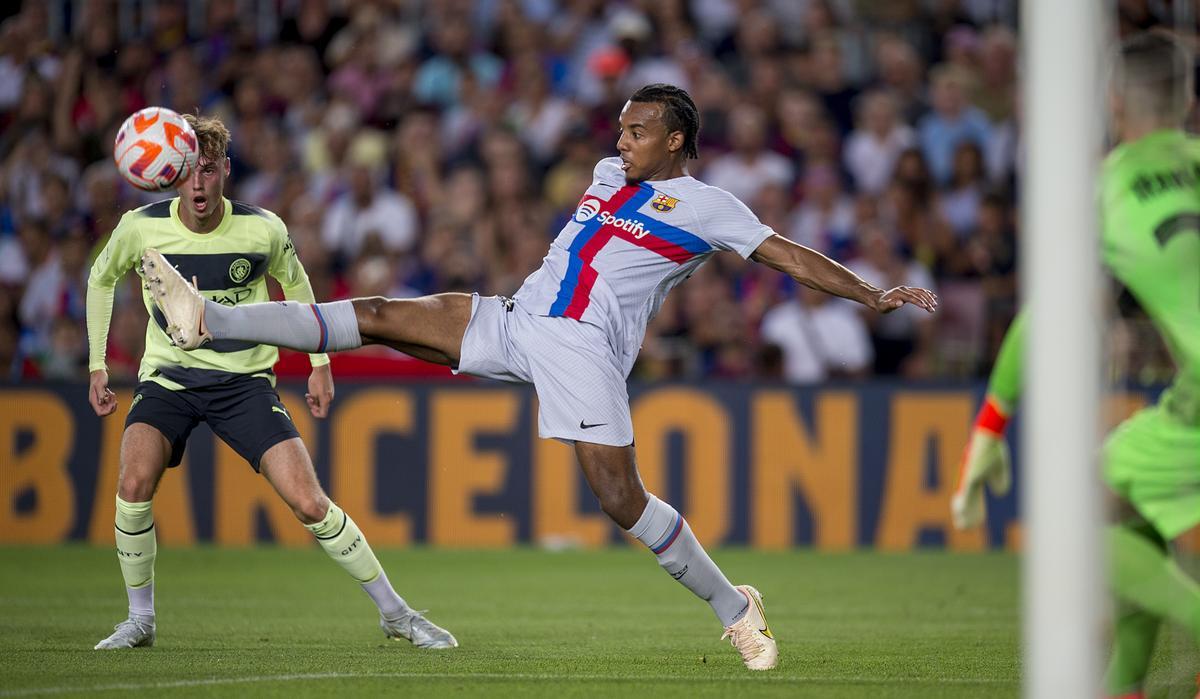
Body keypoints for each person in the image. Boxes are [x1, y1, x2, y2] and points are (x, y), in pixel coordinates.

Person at [142, 85, 937, 671]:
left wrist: (870, 292)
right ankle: (208, 316)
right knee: (384, 313)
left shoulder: (706, 205)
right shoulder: (600, 174)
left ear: (674, 142)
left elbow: (787, 254)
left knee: (620, 499)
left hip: (586, 352)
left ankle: (737, 607)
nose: (620, 142)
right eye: (620, 129)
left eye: (637, 133)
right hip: (516, 320)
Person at [86, 114, 456, 651]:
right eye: (187, 170)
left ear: (225, 172)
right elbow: (101, 278)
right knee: (133, 484)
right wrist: (97, 363)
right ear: (170, 173)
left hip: (244, 383)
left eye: (208, 170)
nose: (197, 183)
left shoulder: (263, 229)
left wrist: (320, 364)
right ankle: (139, 620)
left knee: (309, 503)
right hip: (168, 379)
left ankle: (396, 614)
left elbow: (297, 288)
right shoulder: (140, 227)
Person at [952, 33, 1200, 698]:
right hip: (1187, 404)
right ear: (1190, 102)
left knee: (1077, 514)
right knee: (1130, 518)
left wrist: (990, 424)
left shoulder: (1109, 186)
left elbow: (1050, 316)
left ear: (1114, 104)